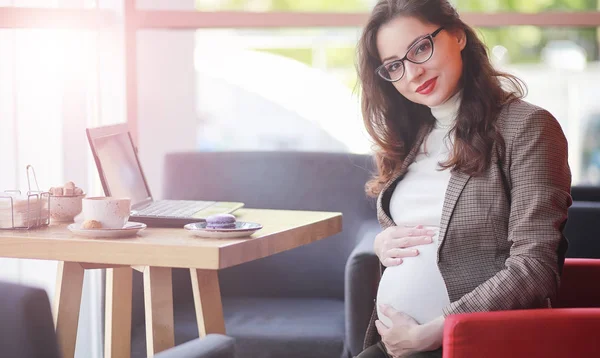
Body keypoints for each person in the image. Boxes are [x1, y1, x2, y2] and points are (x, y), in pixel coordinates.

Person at [354, 0, 572, 357]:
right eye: (394, 66)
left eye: (420, 48)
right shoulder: (413, 135)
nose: (412, 74)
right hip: (395, 346)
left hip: (476, 344)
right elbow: (431, 227)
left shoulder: (527, 127)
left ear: (457, 35)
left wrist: (442, 329)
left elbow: (535, 267)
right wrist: (384, 243)